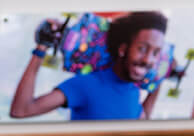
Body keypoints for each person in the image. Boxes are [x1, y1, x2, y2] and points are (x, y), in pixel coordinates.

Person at [10, 12, 168, 121]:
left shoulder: (133, 92)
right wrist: (41, 48)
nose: (148, 60)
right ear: (123, 49)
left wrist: (162, 75)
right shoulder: (87, 84)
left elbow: (143, 118)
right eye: (142, 49)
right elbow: (21, 110)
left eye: (156, 53)